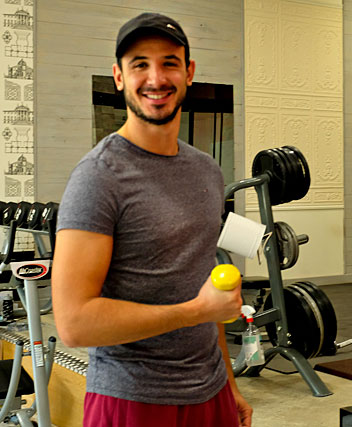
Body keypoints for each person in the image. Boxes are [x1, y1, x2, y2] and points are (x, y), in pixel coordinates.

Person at [51, 12, 252, 427]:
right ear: (119, 77)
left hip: (210, 391)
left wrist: (229, 385)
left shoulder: (207, 171)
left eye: (169, 62)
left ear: (189, 72)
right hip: (132, 401)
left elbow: (203, 285)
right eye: (140, 64)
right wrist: (195, 311)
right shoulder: (98, 176)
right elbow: (73, 323)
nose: (156, 78)